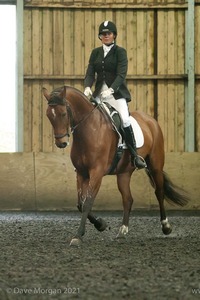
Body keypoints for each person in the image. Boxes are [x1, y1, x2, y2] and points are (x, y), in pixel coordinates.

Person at [83, 20, 146, 169]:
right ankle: (84, 155)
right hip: (99, 94)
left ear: (114, 35)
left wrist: (111, 89)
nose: (106, 36)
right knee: (86, 119)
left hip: (116, 95)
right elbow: (90, 72)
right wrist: (87, 86)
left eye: (108, 33)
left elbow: (121, 74)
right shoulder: (95, 53)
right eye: (103, 34)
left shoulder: (120, 52)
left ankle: (134, 155)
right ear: (100, 37)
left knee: (124, 119)